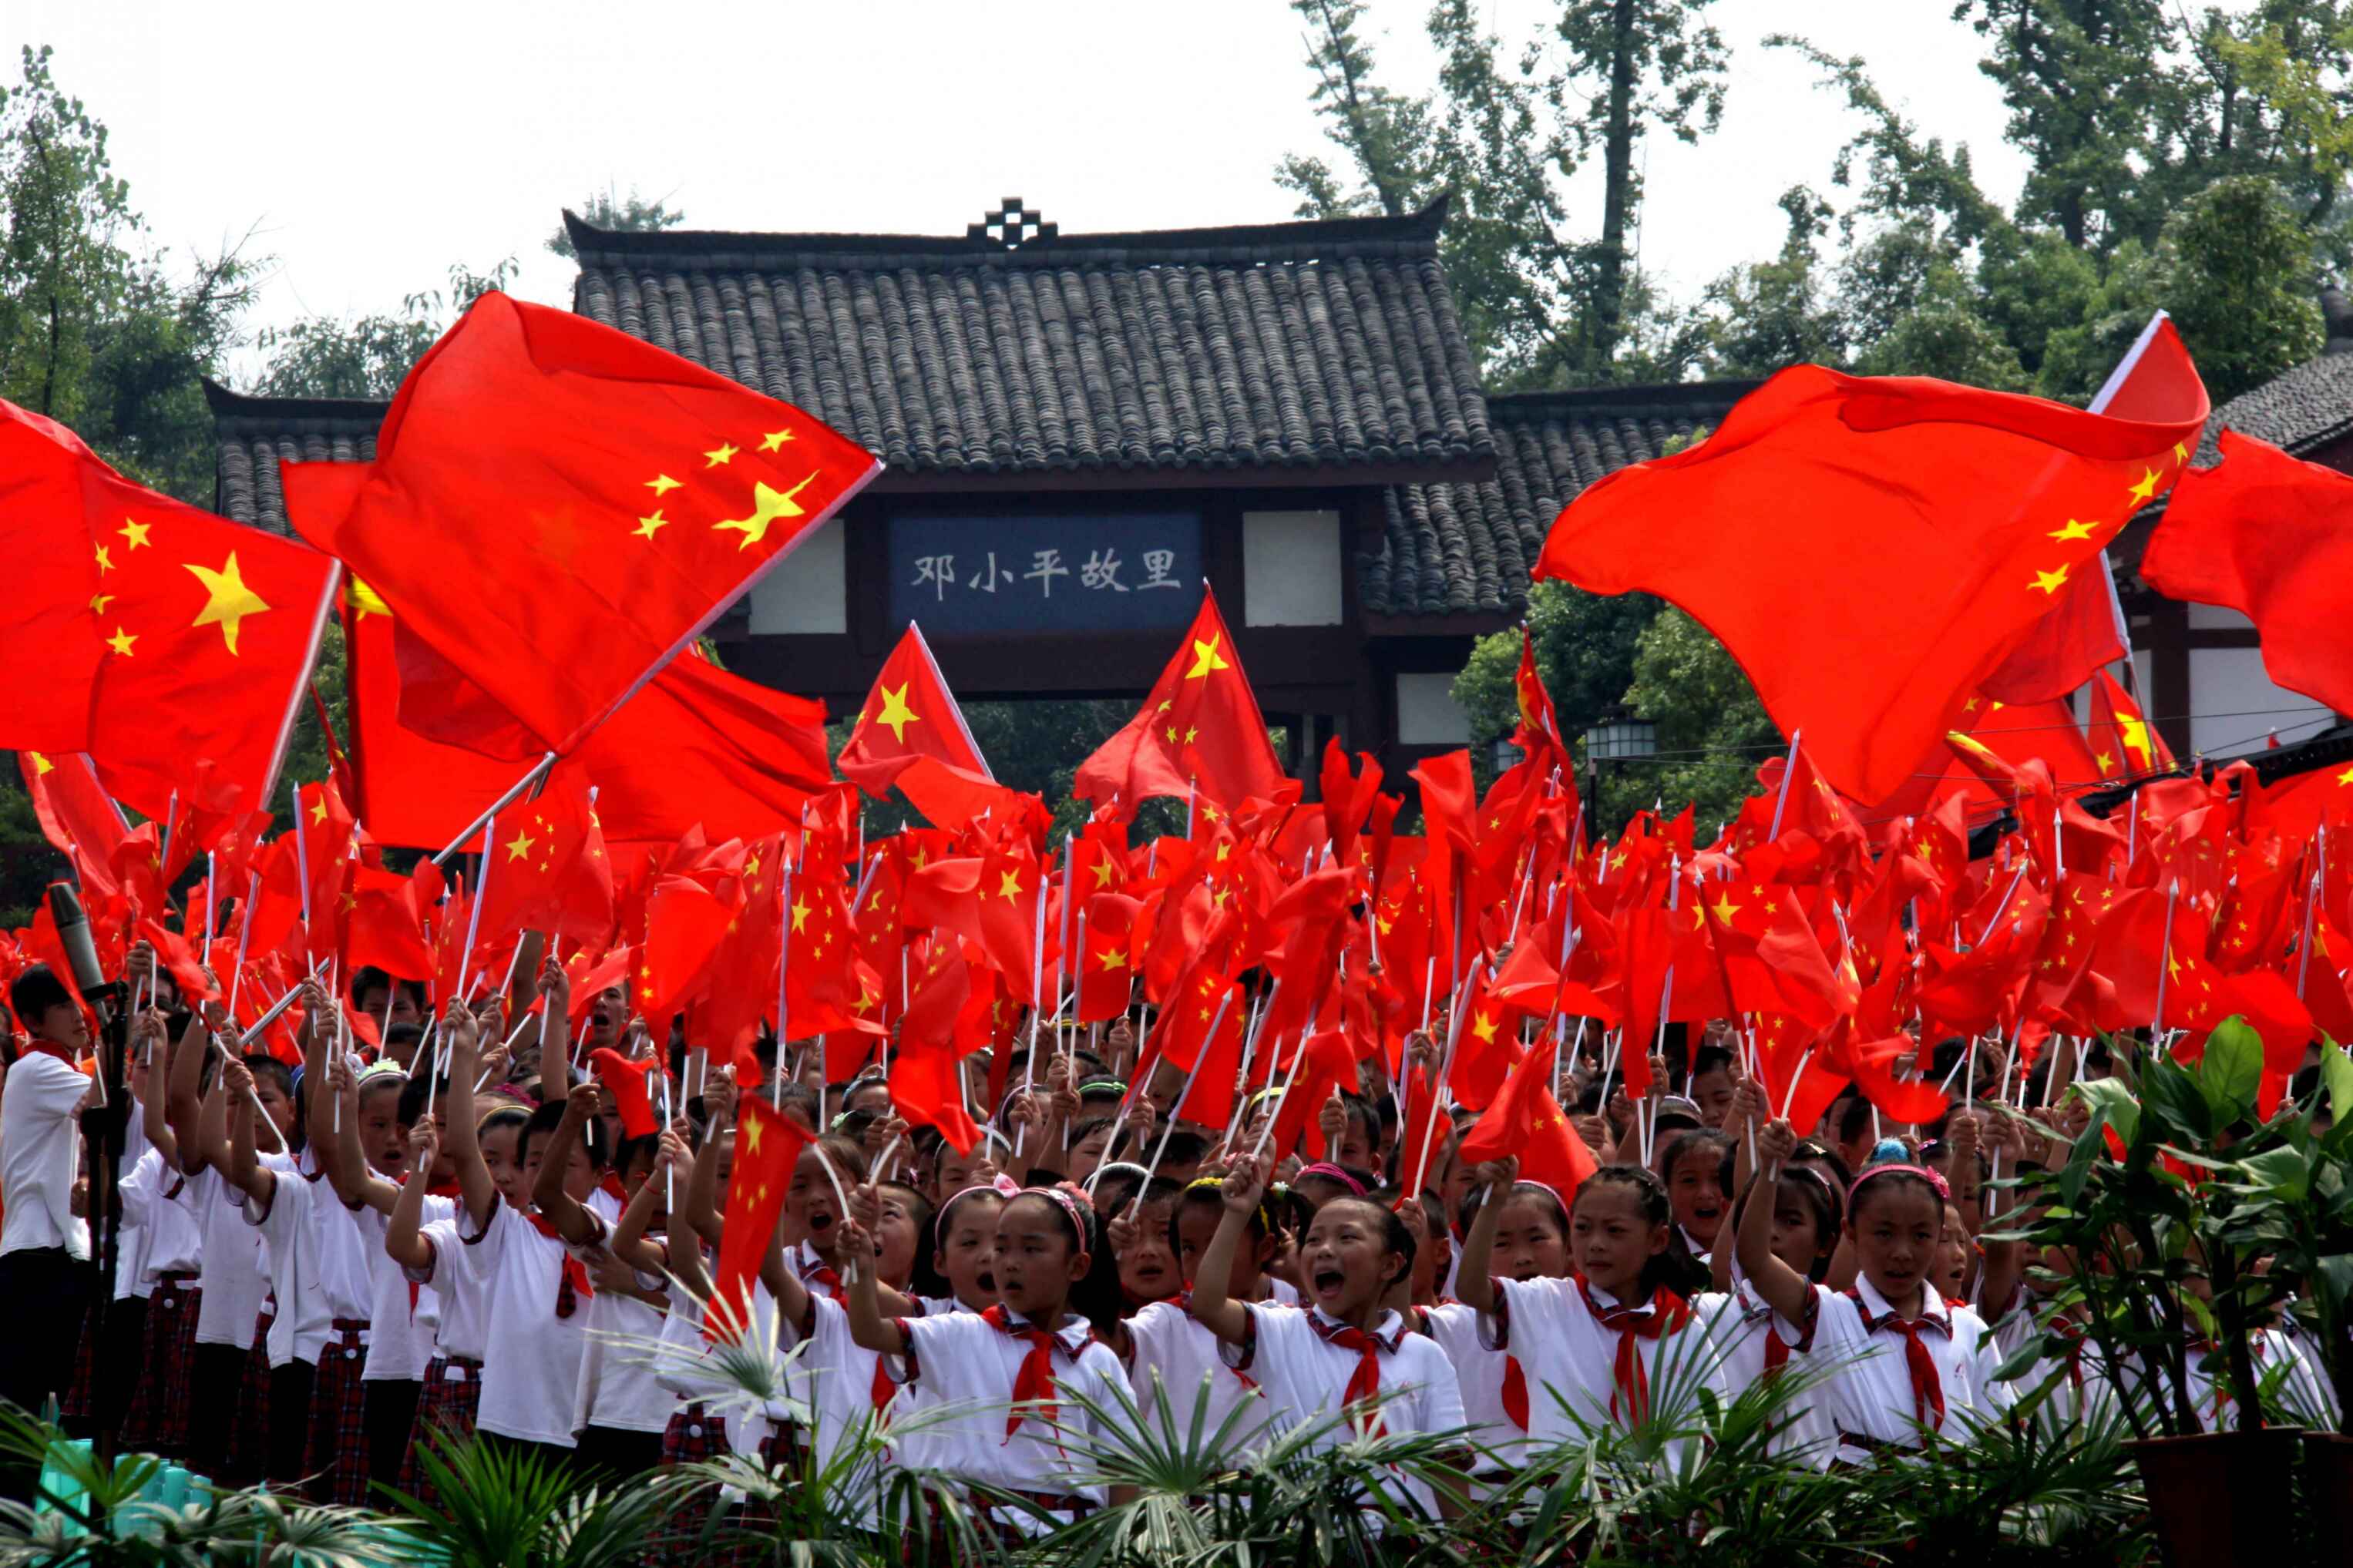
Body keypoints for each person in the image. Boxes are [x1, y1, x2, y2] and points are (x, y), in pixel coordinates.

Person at [842, 1183, 1133, 1537]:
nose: (1009, 1262)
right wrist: (860, 1264)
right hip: (965, 1529)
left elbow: (1122, 1466)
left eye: (1031, 1248)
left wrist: (1119, 1547)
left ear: (1077, 1266)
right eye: (1002, 1247)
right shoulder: (961, 1334)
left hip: (1068, 1536)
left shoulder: (1097, 1360)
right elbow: (868, 1331)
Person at [1189, 1153, 1467, 1523]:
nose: (1323, 1249)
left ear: (1390, 1265)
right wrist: (1236, 1215)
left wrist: (1466, 1547)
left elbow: (1447, 1468)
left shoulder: (1424, 1354)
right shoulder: (1281, 1329)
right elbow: (1207, 1304)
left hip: (1402, 1539)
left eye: (1347, 1237)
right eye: (1313, 1239)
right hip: (1304, 1531)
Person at [1736, 1118, 2011, 1464]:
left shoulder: (1969, 1329)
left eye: (1922, 1235)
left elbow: (2001, 1433)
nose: (1902, 1252)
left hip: (1955, 1504)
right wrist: (1769, 1171)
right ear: (1851, 1234)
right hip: (1863, 1503)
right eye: (1884, 1233)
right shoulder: (1830, 1316)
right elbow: (1755, 1259)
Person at [1455, 1162, 1711, 1452]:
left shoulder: (1684, 1326)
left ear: (1657, 1240)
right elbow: (1472, 1289)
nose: (1596, 1244)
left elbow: (1710, 1436)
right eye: (1583, 1228)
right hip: (1569, 1492)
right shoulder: (1546, 1303)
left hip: (1666, 1493)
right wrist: (1492, 1206)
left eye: (1615, 1231)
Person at [0, 963, 98, 1488]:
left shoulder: (55, 1068)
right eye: (65, 1005)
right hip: (37, 1258)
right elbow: (109, 1102)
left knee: (40, 1407)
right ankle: (11, 1528)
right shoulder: (37, 1069)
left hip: (53, 1255)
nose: (78, 1014)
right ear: (36, 1019)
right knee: (24, 1408)